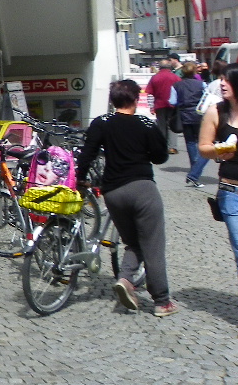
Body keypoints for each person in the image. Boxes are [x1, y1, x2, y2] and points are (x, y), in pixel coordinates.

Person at [76, 81, 178, 317]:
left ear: (112, 100)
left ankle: (125, 279)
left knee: (133, 242)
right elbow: (161, 156)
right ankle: (162, 301)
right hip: (142, 189)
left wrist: (80, 179)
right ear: (135, 99)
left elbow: (86, 154)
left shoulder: (101, 122)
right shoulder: (145, 123)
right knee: (152, 246)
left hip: (113, 193)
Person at [199, 63, 238, 340]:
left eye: (228, 79)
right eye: (220, 79)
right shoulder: (217, 111)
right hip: (234, 194)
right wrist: (218, 151)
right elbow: (203, 147)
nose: (221, 83)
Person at [172, 61, 208, 188]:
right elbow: (206, 98)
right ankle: (195, 172)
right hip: (199, 114)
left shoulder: (177, 85)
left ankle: (194, 167)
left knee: (190, 142)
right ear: (194, 71)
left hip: (185, 115)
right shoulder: (201, 84)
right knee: (203, 142)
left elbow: (172, 101)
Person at [145, 56, 179, 154]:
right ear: (169, 67)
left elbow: (150, 94)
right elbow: (179, 91)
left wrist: (151, 107)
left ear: (159, 67)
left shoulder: (155, 77)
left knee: (161, 126)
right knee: (171, 125)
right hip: (172, 105)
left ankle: (162, 146)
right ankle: (172, 147)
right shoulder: (175, 77)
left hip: (159, 104)